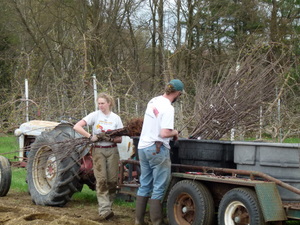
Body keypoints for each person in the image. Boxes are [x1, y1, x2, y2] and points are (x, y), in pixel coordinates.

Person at [135, 79, 184, 225]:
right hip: (157, 149)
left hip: (143, 147)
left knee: (144, 184)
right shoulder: (168, 108)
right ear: (177, 93)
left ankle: (139, 221)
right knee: (159, 186)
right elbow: (164, 133)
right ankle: (156, 222)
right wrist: (175, 132)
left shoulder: (153, 101)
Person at [73, 92, 123, 221]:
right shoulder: (94, 116)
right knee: (101, 180)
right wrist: (90, 136)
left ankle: (108, 207)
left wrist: (109, 138)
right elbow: (77, 126)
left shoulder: (115, 118)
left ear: (109, 103)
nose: (100, 106)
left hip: (112, 151)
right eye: (99, 103)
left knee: (112, 181)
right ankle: (104, 210)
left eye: (103, 103)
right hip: (98, 151)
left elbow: (120, 139)